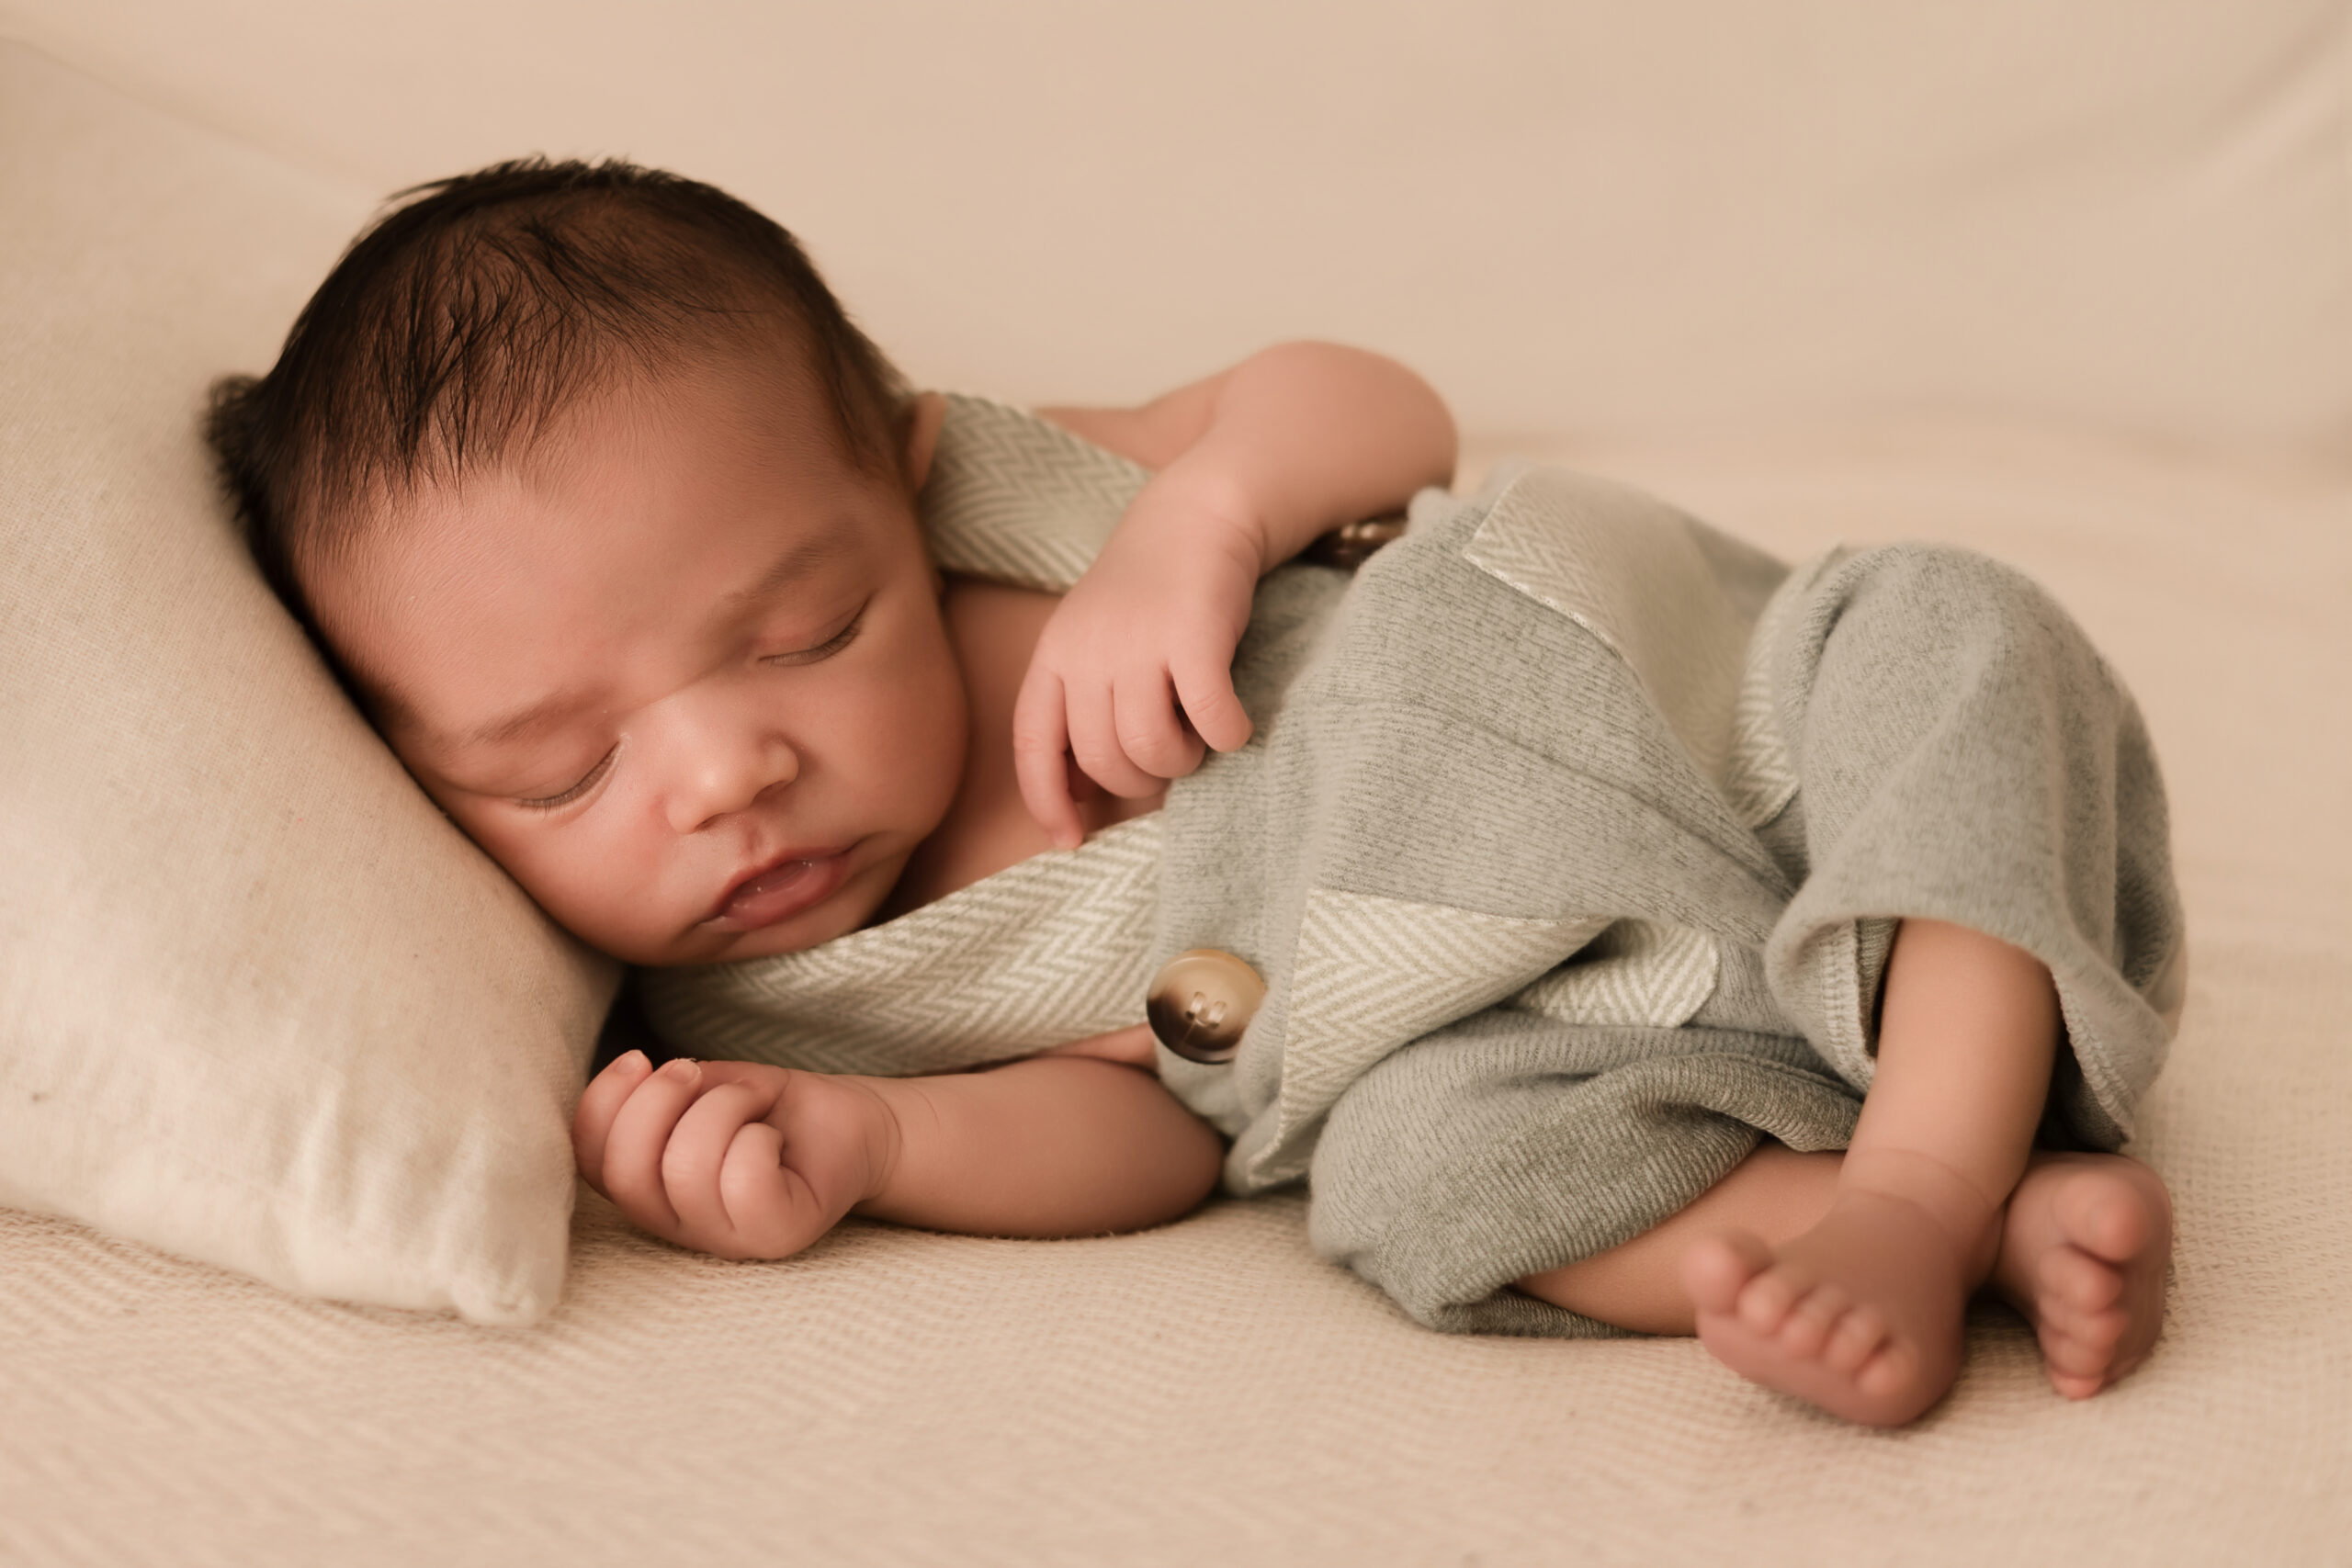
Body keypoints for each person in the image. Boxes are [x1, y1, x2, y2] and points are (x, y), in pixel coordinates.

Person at [207, 158, 2181, 1427]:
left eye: (805, 628)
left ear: (895, 474)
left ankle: (1929, 1164)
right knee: (1419, 1185)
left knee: (1942, 628)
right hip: (1514, 1018)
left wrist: (1202, 516)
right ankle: (1949, 1223)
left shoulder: (1008, 505)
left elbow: (1381, 409)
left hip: (1693, 724)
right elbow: (1159, 1132)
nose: (727, 769)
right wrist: (879, 1143)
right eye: (564, 766)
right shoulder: (776, 1005)